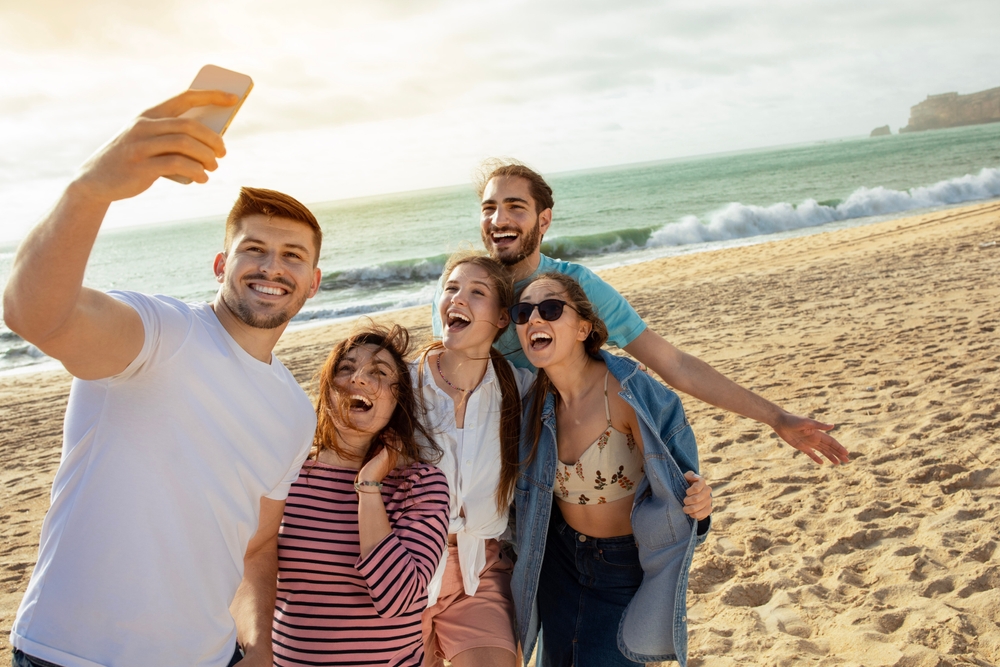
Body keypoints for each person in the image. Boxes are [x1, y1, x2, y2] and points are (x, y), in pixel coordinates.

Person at [3, 90, 323, 667]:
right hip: (71, 656)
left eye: (292, 255)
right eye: (254, 248)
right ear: (222, 265)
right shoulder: (160, 332)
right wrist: (90, 189)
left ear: (314, 282)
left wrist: (260, 649)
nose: (273, 266)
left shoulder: (296, 411)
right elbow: (34, 313)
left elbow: (257, 545)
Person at [431, 161, 850, 467]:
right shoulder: (459, 290)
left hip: (546, 462)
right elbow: (439, 381)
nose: (498, 219)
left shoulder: (576, 287)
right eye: (489, 208)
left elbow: (674, 364)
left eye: (514, 207)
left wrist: (776, 417)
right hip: (471, 463)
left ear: (544, 220)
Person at [509, 273, 713, 667]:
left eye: (550, 309)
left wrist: (699, 504)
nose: (535, 319)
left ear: (584, 327)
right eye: (523, 312)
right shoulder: (533, 403)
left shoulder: (627, 393)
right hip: (559, 561)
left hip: (622, 566)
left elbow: (681, 480)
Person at [272, 324, 450, 667]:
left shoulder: (421, 485)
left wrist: (369, 485)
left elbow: (397, 598)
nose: (359, 378)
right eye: (346, 367)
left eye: (379, 372)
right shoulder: (283, 472)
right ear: (328, 388)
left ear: (398, 399)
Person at [414, 253, 534, 667]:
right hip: (402, 571)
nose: (457, 299)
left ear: (503, 318)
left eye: (476, 292)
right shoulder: (401, 385)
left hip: (479, 571)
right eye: (451, 289)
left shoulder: (521, 389)